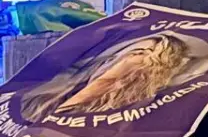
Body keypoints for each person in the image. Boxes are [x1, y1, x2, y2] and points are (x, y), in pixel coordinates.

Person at [20, 34, 196, 121]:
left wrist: (54, 116)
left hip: (69, 111)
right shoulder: (150, 62)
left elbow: (90, 92)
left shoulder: (139, 60)